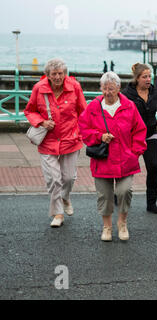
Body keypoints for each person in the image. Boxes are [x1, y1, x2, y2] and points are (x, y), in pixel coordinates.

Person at [78, 72, 147, 241]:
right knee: (105, 196)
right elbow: (83, 129)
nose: (107, 92)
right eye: (104, 88)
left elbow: (139, 130)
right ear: (100, 88)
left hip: (126, 159)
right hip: (102, 160)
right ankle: (107, 226)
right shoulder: (93, 107)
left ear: (118, 88)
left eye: (111, 88)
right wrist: (99, 136)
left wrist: (135, 152)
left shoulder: (129, 106)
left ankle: (122, 223)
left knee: (125, 191)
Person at [24, 58, 87, 228]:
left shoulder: (74, 87)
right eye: (54, 74)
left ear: (65, 74)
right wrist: (42, 122)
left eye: (60, 73)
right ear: (48, 76)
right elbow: (30, 111)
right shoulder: (39, 88)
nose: (58, 77)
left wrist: (82, 132)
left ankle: (65, 197)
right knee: (53, 179)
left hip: (70, 138)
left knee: (68, 178)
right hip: (47, 141)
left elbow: (83, 112)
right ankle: (58, 213)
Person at [122, 63, 157, 214]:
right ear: (137, 78)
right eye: (145, 77)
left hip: (150, 134)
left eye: (150, 76)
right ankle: (119, 194)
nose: (148, 79)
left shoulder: (154, 91)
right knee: (126, 168)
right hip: (132, 137)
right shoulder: (126, 94)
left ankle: (151, 203)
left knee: (154, 167)